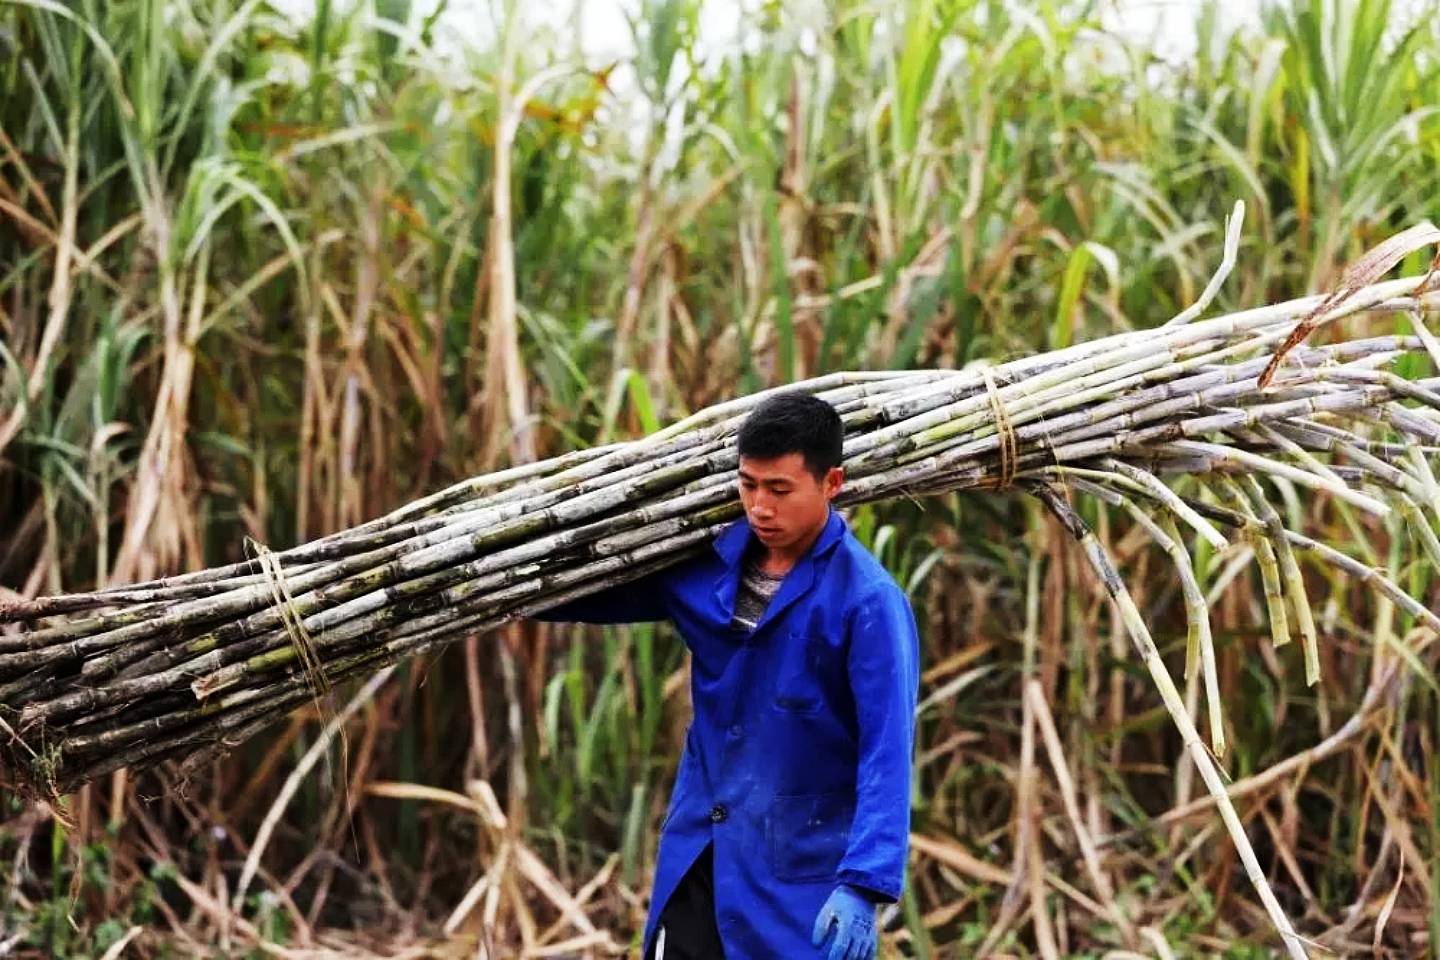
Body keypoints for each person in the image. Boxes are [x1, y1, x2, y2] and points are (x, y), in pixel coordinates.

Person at [534, 392, 920, 959]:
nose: (760, 507)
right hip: (703, 850)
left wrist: (865, 883)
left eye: (780, 490)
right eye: (749, 485)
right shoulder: (704, 567)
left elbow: (887, 752)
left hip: (798, 876)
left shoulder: (866, 602)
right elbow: (584, 592)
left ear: (831, 482)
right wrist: (489, 590)